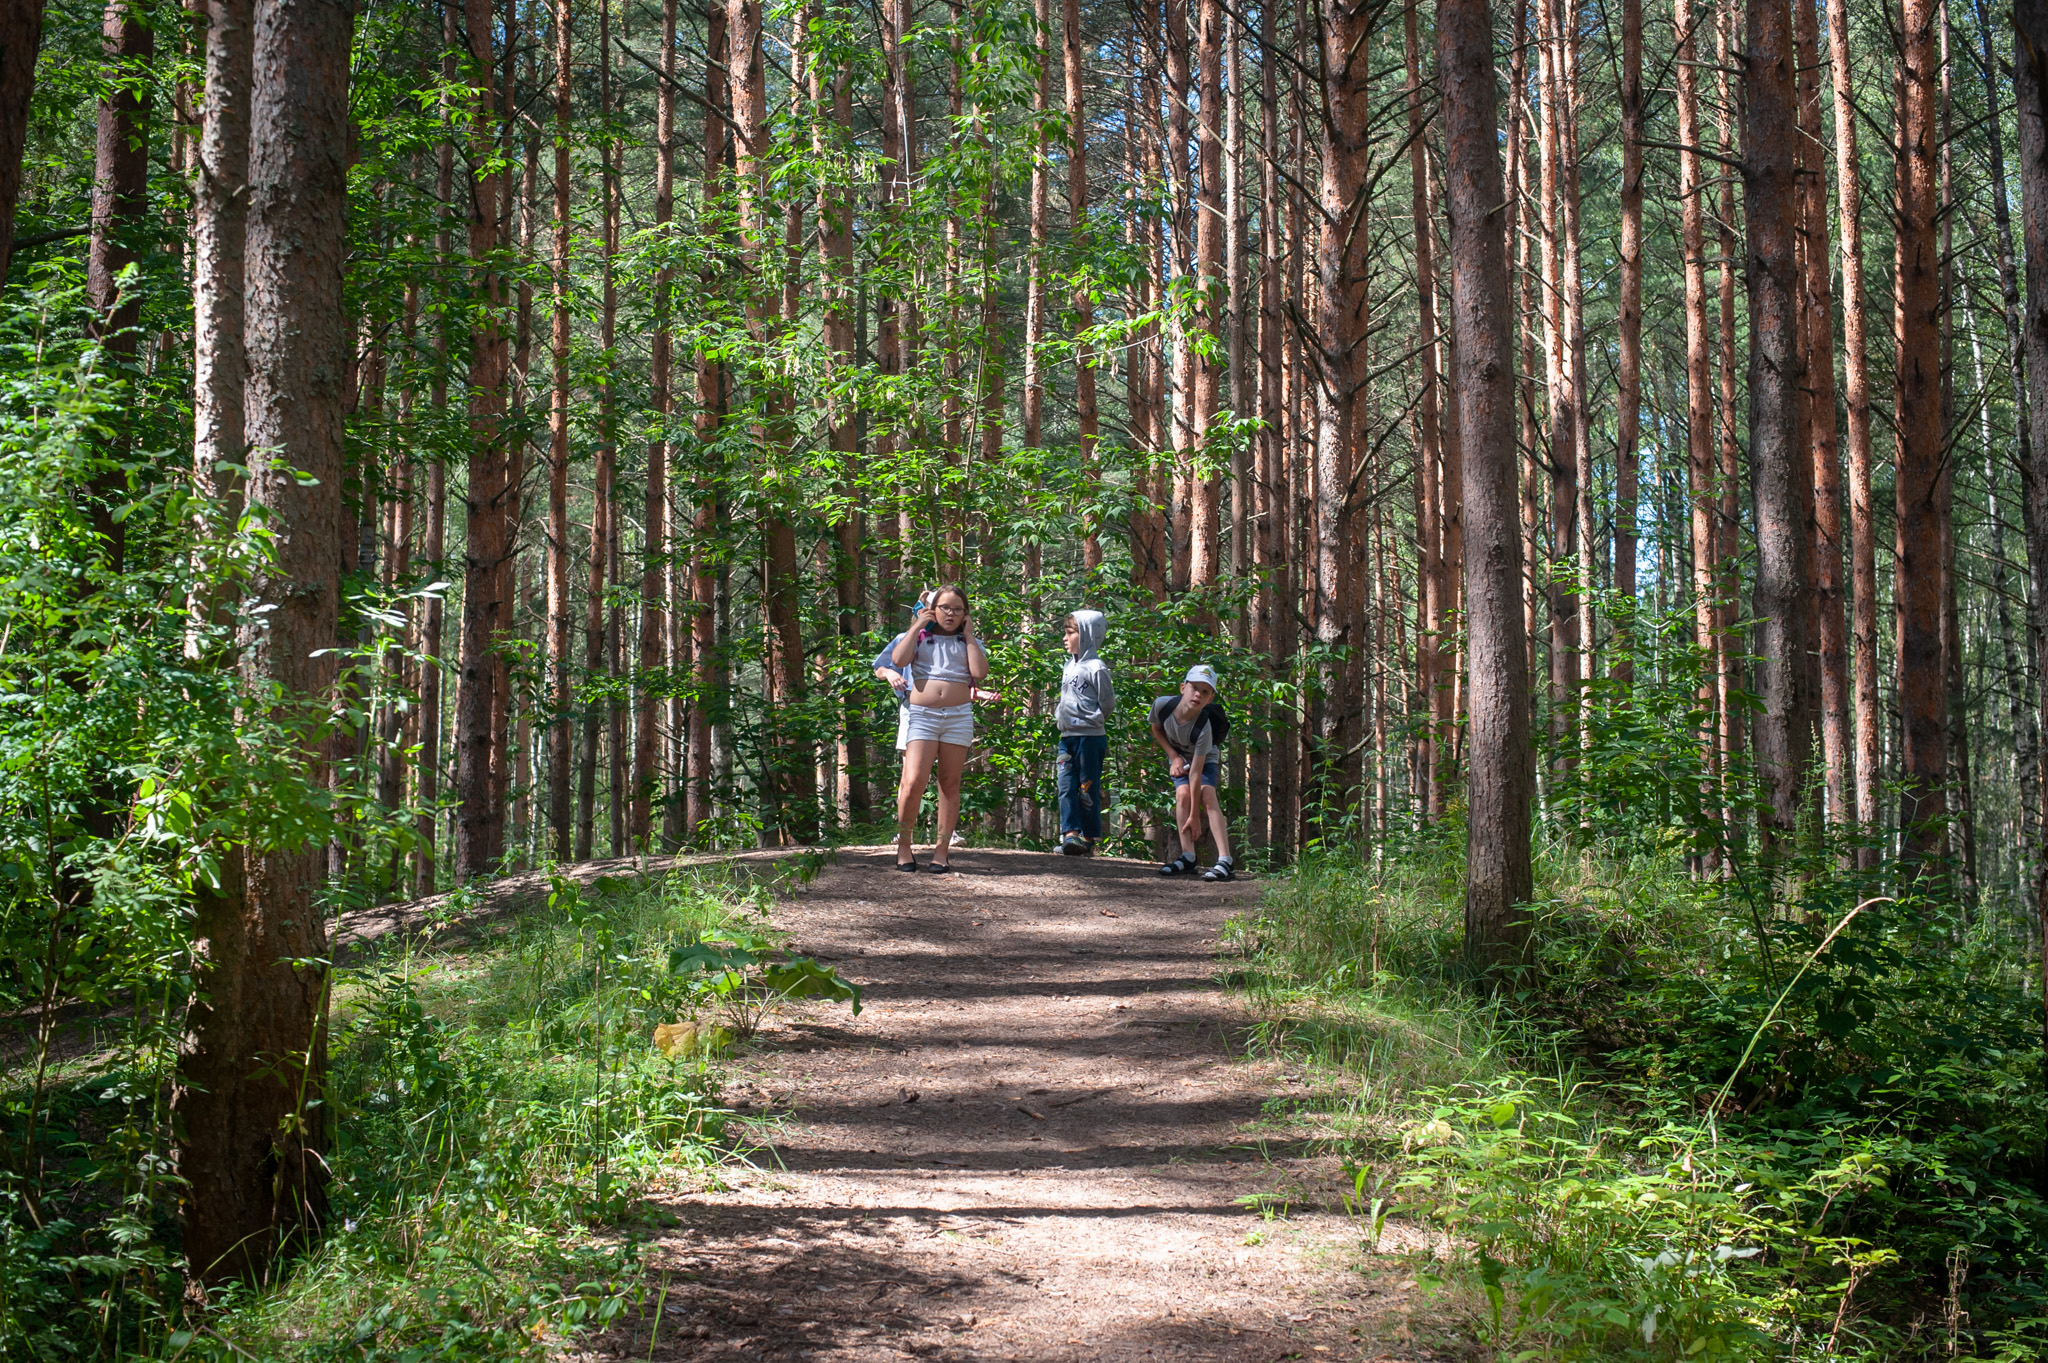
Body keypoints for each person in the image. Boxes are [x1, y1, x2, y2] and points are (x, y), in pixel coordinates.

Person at [889, 585, 988, 872]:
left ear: (965, 614)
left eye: (958, 609)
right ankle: (904, 846)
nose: (951, 614)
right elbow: (898, 660)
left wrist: (969, 636)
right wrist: (918, 623)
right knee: (913, 781)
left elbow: (979, 673)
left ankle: (941, 850)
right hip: (923, 715)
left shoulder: (968, 641)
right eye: (945, 607)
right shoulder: (921, 636)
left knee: (949, 782)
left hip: (958, 716)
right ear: (935, 608)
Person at [1150, 664, 1235, 881]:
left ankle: (1225, 861)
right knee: (1182, 794)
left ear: (1210, 698)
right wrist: (1174, 757)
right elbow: (1156, 728)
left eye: (1205, 692)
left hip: (1204, 760)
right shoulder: (1163, 706)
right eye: (1194, 688)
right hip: (1178, 757)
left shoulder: (1204, 728)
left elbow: (1196, 773)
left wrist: (1194, 816)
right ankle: (1188, 857)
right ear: (1182, 687)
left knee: (1207, 793)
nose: (1198, 694)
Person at [1053, 609, 1114, 856]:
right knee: (1065, 785)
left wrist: (1094, 720)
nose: (1065, 638)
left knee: (1086, 787)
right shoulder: (1069, 665)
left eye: (1070, 633)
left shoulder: (1096, 668)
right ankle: (1070, 835)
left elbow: (1108, 702)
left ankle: (1088, 838)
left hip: (1090, 738)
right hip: (1066, 738)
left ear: (1087, 635)